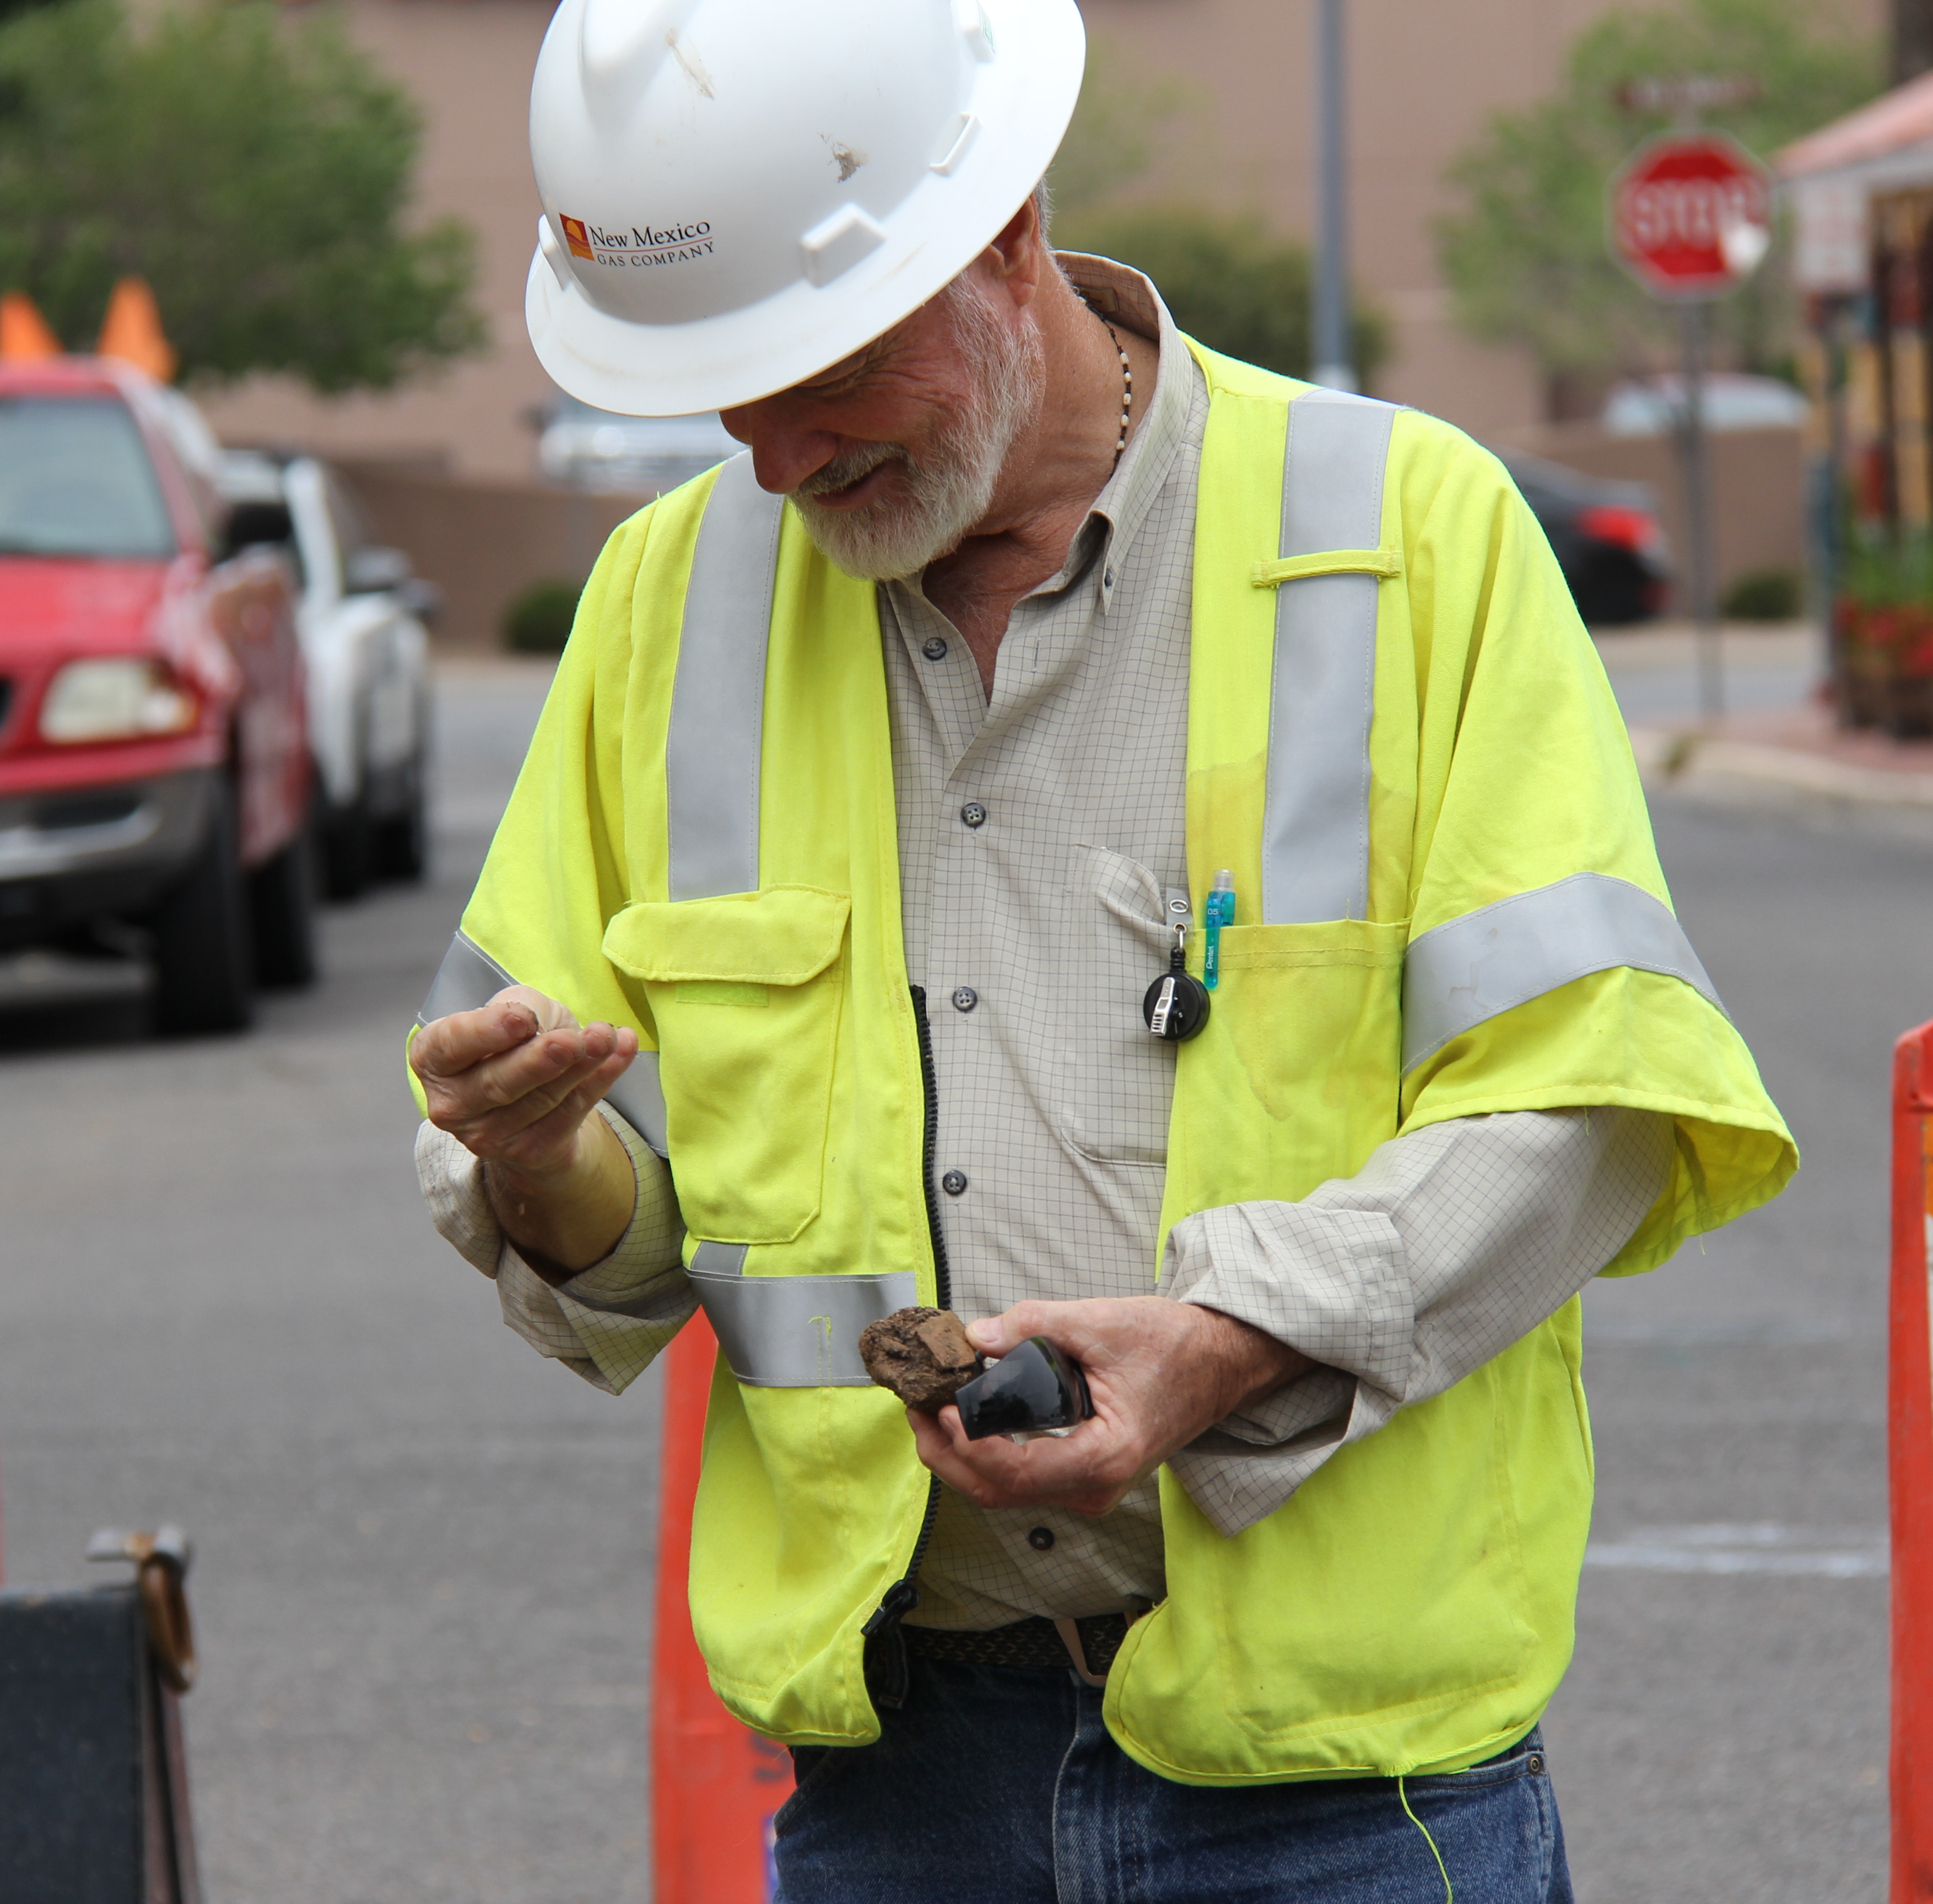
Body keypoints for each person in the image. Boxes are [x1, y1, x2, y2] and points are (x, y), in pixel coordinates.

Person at [409, 2, 1793, 1896]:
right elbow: (626, 1248)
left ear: (1004, 233)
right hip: (902, 1775)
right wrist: (539, 1158)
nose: (777, 447)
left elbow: (1593, 1102)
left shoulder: (1408, 535)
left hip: (1350, 1783)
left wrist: (1232, 1341)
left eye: (823, 363)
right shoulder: (666, 606)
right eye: (717, 388)